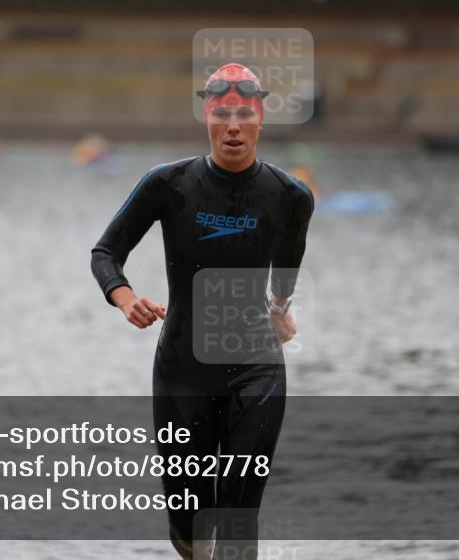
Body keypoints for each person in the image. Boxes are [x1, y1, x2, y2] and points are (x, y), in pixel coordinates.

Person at [90, 62, 314, 559]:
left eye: (244, 115)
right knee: (188, 528)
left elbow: (289, 262)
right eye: (222, 115)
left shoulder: (290, 197)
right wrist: (125, 298)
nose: (233, 127)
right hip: (182, 371)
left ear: (260, 119)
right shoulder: (168, 184)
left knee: (239, 513)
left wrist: (280, 308)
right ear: (207, 120)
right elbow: (105, 253)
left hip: (256, 367)